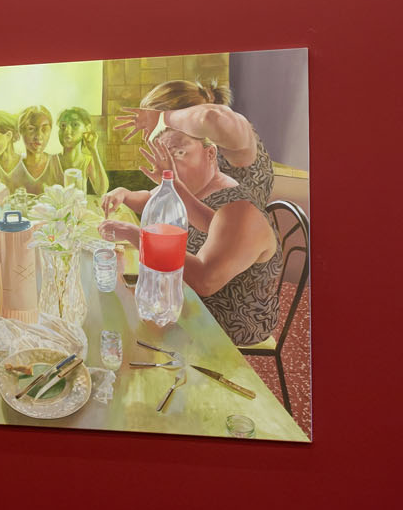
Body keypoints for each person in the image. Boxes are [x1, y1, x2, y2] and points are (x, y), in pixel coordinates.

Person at [99, 131, 281, 346]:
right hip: (183, 299)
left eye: (179, 153)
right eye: (164, 156)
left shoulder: (241, 209)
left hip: (226, 319)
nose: (169, 164)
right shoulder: (191, 189)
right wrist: (124, 192)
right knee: (110, 300)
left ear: (210, 153)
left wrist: (136, 236)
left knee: (113, 321)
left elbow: (205, 280)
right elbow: (149, 198)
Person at [113, 78, 271, 232]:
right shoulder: (193, 165)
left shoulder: (235, 151)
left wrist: (163, 117)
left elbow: (211, 118)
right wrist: (124, 194)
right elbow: (153, 197)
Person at [56, 107, 110, 196]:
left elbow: (101, 191)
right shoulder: (53, 160)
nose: (67, 130)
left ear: (87, 129)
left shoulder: (87, 161)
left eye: (75, 124)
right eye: (63, 125)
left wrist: (93, 150)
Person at [12, 106, 59, 195]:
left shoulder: (58, 163)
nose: (38, 136)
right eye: (31, 129)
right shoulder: (12, 166)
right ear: (21, 131)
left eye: (44, 129)